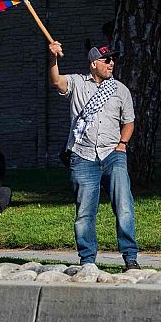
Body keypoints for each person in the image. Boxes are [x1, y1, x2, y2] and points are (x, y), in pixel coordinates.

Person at [48, 37, 139, 271]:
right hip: (82, 155)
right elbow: (56, 81)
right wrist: (53, 58)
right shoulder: (78, 83)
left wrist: (122, 144)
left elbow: (128, 122)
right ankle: (87, 260)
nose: (111, 64)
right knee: (85, 211)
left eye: (113, 60)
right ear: (93, 64)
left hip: (113, 153)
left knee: (124, 204)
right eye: (106, 60)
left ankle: (130, 257)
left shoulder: (120, 90)